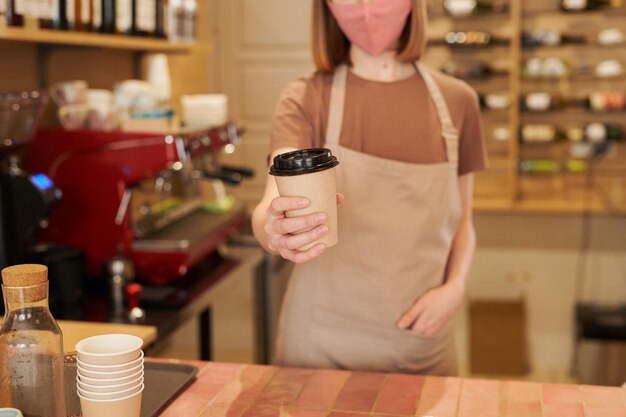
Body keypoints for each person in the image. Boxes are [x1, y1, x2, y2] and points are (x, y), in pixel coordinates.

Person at [252, 0, 486, 375]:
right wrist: (274, 231)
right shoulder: (307, 97)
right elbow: (269, 206)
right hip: (319, 348)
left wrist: (455, 287)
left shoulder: (459, 102)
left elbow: (464, 224)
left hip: (421, 343)